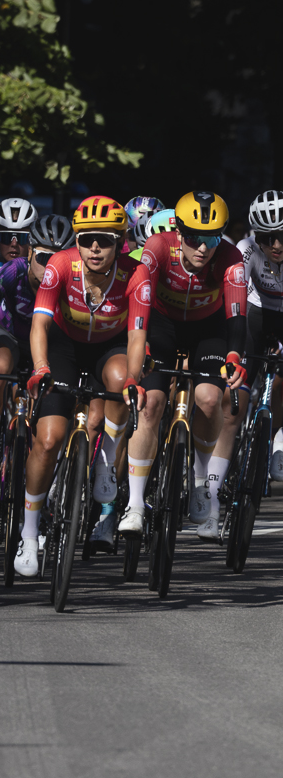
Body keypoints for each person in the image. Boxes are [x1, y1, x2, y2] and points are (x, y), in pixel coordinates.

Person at [16, 195, 149, 578]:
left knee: (121, 379)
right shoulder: (60, 265)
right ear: (76, 240)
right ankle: (28, 533)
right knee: (48, 439)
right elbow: (39, 324)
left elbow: (137, 336)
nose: (94, 248)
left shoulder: (136, 274)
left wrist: (133, 381)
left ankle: (107, 464)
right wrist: (41, 367)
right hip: (64, 345)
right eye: (87, 239)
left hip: (109, 347)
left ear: (119, 243)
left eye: (105, 241)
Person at [119, 191, 247, 543]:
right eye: (194, 238)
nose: (203, 248)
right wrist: (135, 369)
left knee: (208, 399)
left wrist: (234, 356)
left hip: (208, 329)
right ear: (179, 232)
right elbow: (139, 313)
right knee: (151, 405)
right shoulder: (158, 248)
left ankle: (201, 479)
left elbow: (236, 317)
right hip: (162, 325)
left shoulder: (232, 257)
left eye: (211, 238)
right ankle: (135, 505)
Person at [0, 214, 75, 496]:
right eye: (45, 259)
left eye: (60, 260)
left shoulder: (72, 279)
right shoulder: (12, 271)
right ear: (30, 251)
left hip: (48, 342)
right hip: (6, 333)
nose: (52, 269)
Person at [237, 190, 283, 479]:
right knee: (238, 387)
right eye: (268, 238)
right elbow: (235, 294)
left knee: (280, 385)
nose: (277, 245)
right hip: (255, 314)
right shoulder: (247, 248)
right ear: (256, 236)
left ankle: (278, 438)